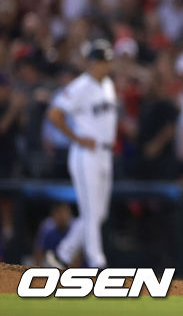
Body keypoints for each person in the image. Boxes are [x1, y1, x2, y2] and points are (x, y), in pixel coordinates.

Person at [45, 39, 117, 269]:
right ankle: (97, 263)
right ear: (90, 62)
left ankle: (62, 255)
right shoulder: (80, 86)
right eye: (99, 60)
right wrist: (75, 138)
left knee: (99, 213)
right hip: (86, 154)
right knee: (90, 211)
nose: (103, 65)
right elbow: (54, 114)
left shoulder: (108, 85)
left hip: (105, 153)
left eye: (106, 61)